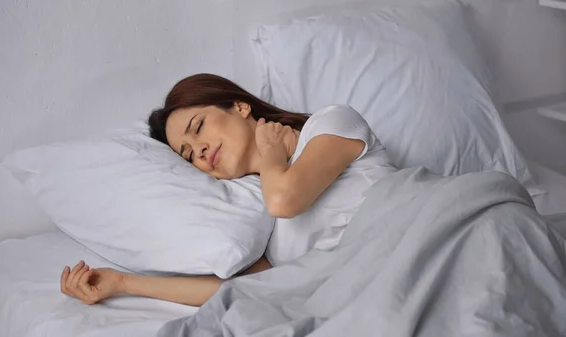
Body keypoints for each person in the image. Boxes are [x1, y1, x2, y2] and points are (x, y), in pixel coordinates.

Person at [60, 73, 397, 307]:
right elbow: (234, 290)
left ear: (239, 107)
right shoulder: (256, 213)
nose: (200, 150)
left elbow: (285, 199)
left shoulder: (330, 124)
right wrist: (122, 283)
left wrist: (272, 151)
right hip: (375, 289)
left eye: (198, 128)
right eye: (189, 154)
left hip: (417, 229)